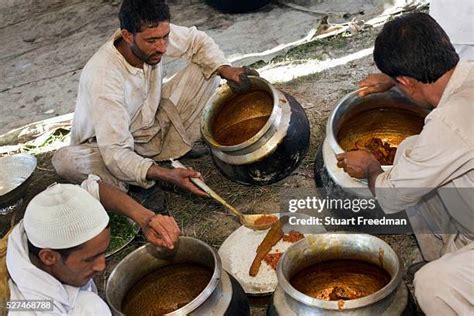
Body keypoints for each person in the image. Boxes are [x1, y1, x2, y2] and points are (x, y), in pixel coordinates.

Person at [336, 13, 473, 315]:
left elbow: (390, 196)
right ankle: (453, 253)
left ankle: (451, 274)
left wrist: (371, 167)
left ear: (407, 82)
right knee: (413, 155)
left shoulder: (448, 123)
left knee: (433, 284)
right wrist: (394, 80)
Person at [52, 0, 252, 197]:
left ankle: (171, 150)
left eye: (165, 37)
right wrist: (166, 175)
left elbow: (196, 41)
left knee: (208, 68)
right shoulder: (104, 77)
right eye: (153, 41)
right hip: (107, 147)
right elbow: (115, 153)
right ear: (127, 36)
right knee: (66, 161)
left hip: (151, 126)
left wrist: (225, 69)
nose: (162, 47)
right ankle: (140, 186)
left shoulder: (153, 34)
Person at [6, 178, 180, 315]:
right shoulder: (34, 309)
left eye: (102, 253)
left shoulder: (38, 227)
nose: (102, 266)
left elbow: (95, 189)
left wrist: (146, 218)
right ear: (49, 257)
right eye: (89, 259)